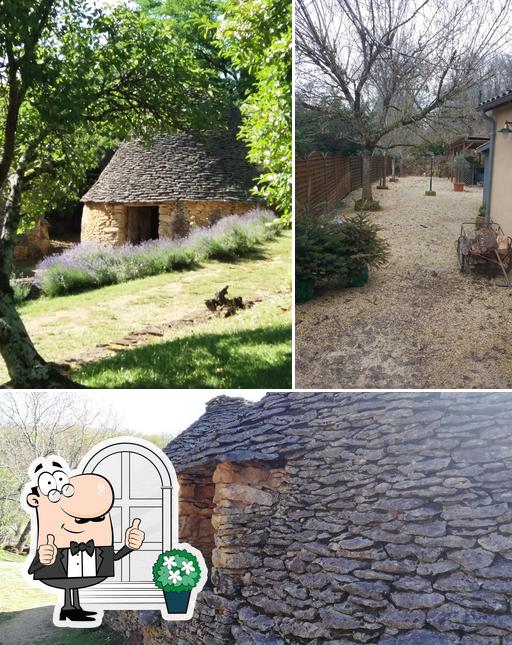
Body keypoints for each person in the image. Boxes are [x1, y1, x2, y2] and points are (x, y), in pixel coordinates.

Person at [25, 458, 145, 624]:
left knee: (73, 583)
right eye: (80, 519)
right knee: (69, 582)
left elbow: (114, 557)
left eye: (98, 519)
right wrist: (43, 559)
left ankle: (73, 608)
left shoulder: (97, 547)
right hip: (62, 564)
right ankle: (68, 608)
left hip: (85, 565)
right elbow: (33, 569)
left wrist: (130, 546)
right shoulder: (52, 543)